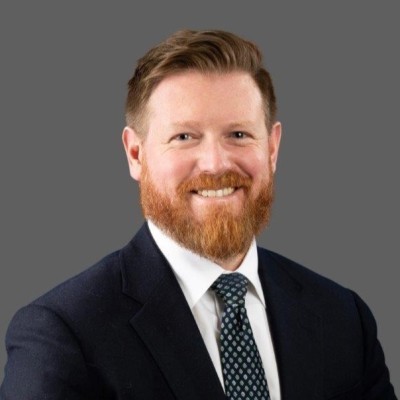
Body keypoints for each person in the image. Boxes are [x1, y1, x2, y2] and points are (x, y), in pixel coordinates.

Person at [0, 29, 396, 400]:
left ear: (272, 148)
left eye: (238, 134)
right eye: (184, 137)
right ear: (136, 154)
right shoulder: (63, 334)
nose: (215, 163)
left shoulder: (343, 318)